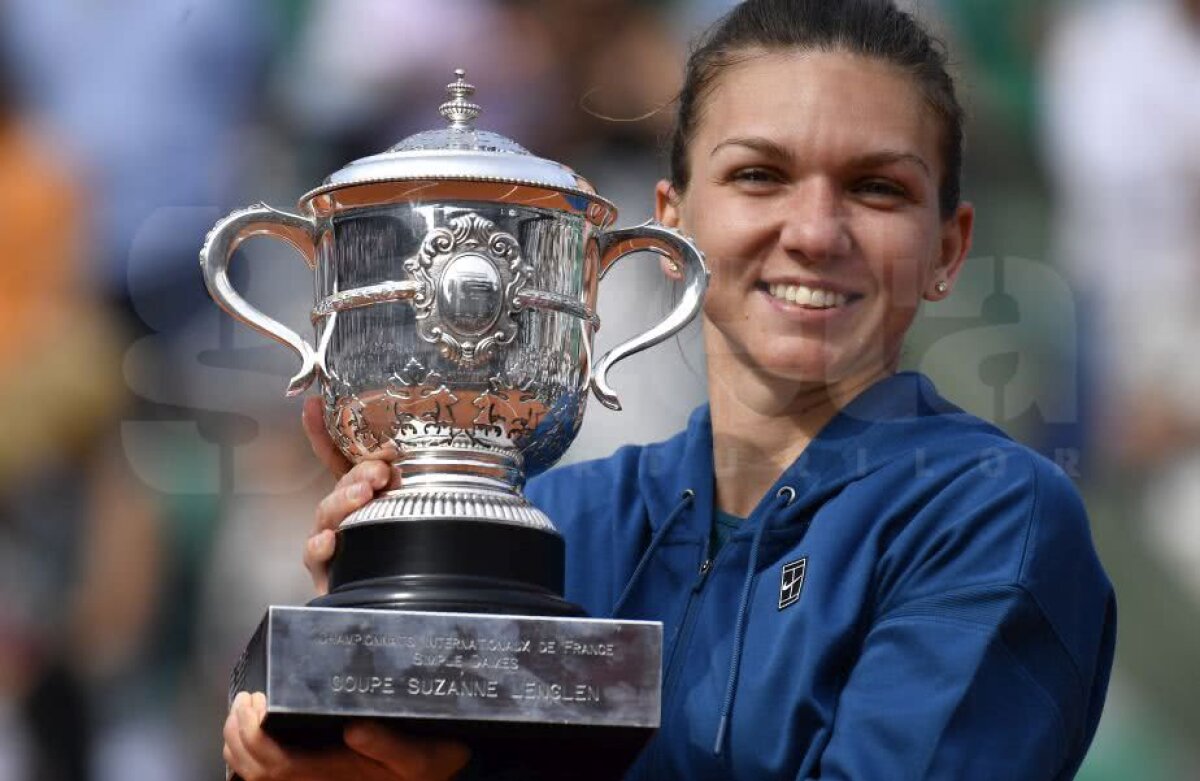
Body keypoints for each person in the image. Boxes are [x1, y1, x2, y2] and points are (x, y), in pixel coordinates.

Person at [224, 0, 1116, 778]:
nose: (813, 230)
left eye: (876, 188)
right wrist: (382, 624)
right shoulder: (558, 525)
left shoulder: (992, 518)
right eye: (759, 174)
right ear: (675, 224)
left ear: (949, 249)